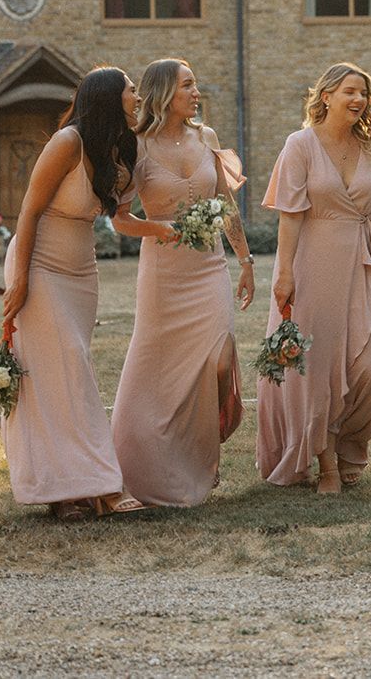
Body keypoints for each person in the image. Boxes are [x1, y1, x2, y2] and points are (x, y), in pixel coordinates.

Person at [0, 66, 147, 520]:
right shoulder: (67, 142)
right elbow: (28, 210)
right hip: (40, 262)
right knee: (68, 370)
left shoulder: (122, 149)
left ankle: (67, 490)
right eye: (131, 89)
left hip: (82, 269)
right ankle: (98, 485)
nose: (137, 96)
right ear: (107, 97)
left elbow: (122, 217)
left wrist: (168, 230)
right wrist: (20, 278)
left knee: (61, 374)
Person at [109, 58, 253, 507]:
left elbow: (226, 205)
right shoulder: (136, 147)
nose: (196, 92)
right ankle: (152, 461)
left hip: (209, 266)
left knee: (219, 357)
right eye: (187, 85)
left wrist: (246, 259)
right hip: (163, 273)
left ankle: (204, 446)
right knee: (159, 371)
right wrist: (161, 229)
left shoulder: (206, 137)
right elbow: (120, 220)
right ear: (164, 93)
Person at [258, 62, 371, 494]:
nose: (358, 100)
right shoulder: (299, 145)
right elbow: (289, 216)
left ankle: (350, 443)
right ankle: (327, 462)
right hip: (313, 265)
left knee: (367, 368)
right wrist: (283, 274)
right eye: (349, 92)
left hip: (362, 263)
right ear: (326, 97)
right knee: (317, 370)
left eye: (363, 94)